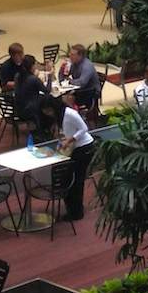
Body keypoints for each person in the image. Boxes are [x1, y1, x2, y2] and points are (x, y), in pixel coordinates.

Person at [56, 88, 97, 220]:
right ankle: (73, 207)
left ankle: (76, 212)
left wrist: (70, 139)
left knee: (77, 180)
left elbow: (84, 128)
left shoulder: (70, 113)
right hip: (75, 148)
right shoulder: (61, 117)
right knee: (71, 179)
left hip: (84, 148)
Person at [58, 43, 104, 113]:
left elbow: (82, 82)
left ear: (80, 56)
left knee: (66, 99)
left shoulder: (87, 66)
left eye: (73, 54)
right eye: (70, 53)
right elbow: (62, 79)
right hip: (79, 90)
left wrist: (70, 81)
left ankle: (74, 116)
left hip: (90, 92)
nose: (70, 56)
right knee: (58, 98)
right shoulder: (73, 64)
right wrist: (62, 70)